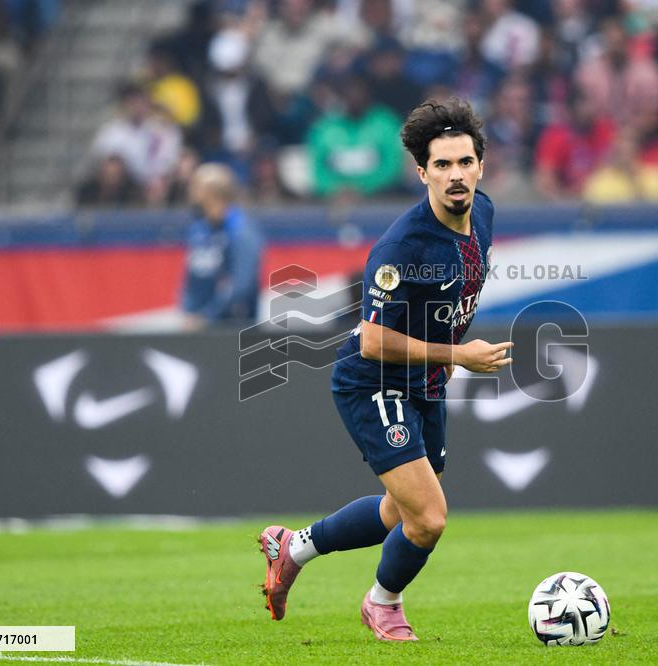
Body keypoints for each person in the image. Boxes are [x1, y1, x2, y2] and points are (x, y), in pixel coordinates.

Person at [258, 98, 512, 640]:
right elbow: (372, 340)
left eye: (464, 162)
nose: (455, 176)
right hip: (372, 378)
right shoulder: (401, 246)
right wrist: (458, 356)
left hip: (426, 381)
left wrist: (444, 360)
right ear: (422, 173)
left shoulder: (483, 213)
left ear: (480, 166)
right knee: (429, 518)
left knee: (402, 511)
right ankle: (382, 604)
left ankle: (293, 547)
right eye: (441, 166)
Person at [180, 163, 263, 328]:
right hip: (197, 326)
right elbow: (192, 278)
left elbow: (242, 285)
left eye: (195, 186)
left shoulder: (241, 231)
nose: (190, 193)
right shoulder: (199, 229)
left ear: (212, 192)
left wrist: (208, 317)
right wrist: (188, 311)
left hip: (232, 330)